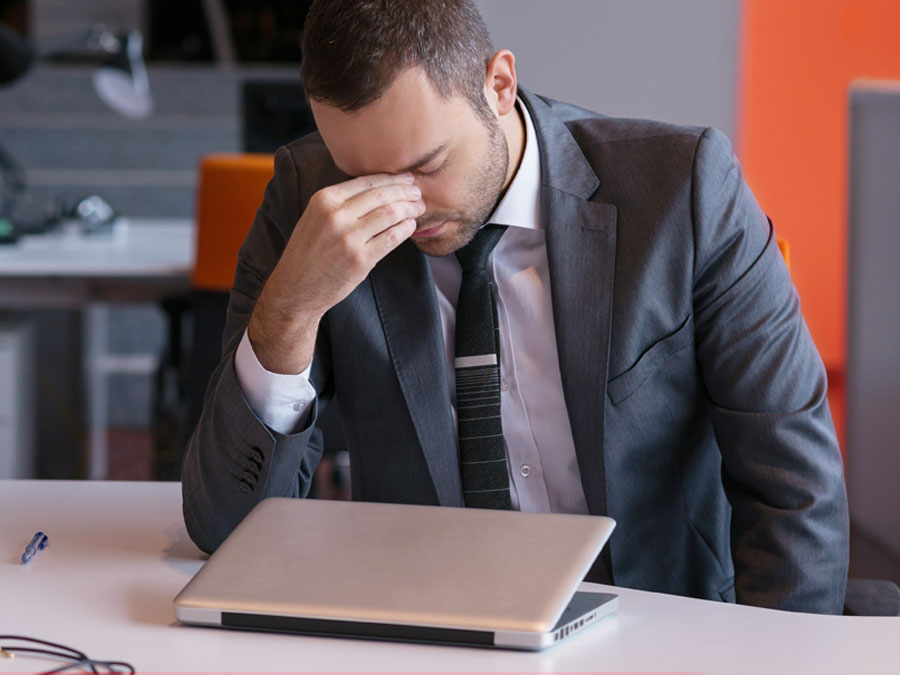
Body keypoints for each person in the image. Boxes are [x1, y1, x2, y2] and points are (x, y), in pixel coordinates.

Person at [182, 0, 849, 614]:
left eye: (425, 164)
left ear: (499, 86)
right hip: (429, 630)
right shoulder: (309, 200)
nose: (400, 206)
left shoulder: (683, 190)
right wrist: (290, 312)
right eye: (363, 175)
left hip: (660, 622)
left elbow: (794, 488)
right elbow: (227, 531)